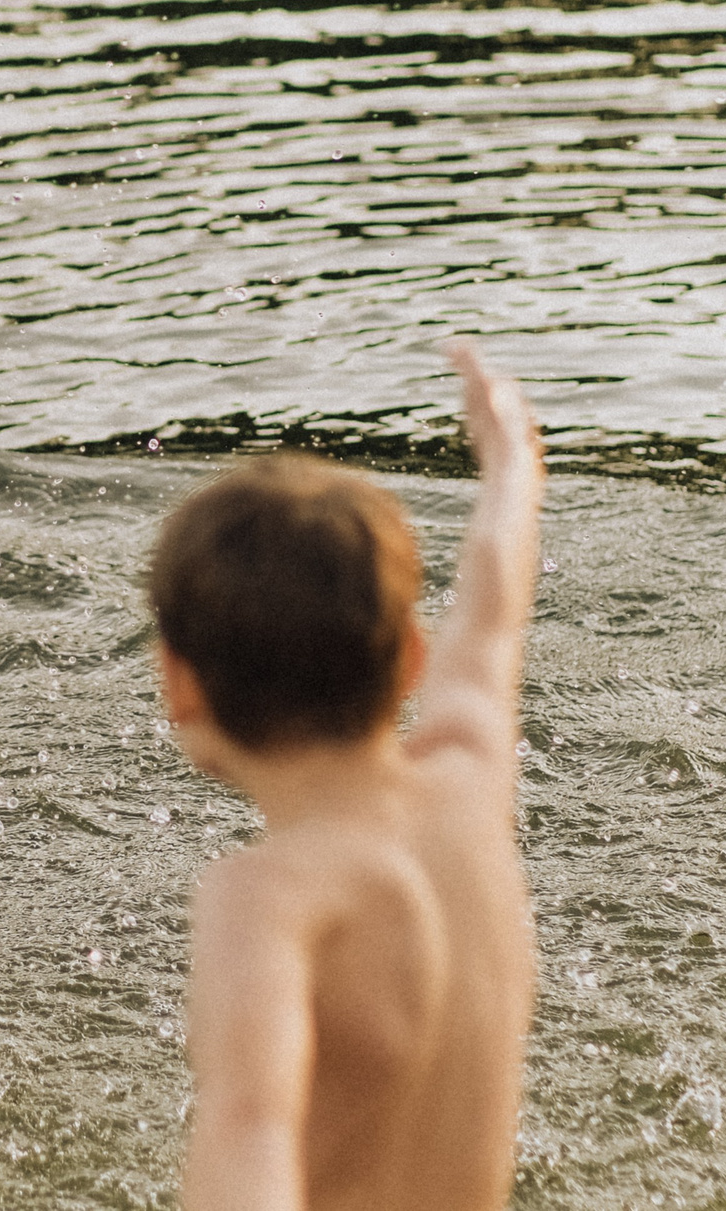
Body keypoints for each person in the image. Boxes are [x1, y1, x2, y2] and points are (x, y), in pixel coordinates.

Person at [147, 344, 539, 1211]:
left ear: (179, 681)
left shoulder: (267, 895)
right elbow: (492, 602)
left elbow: (250, 1126)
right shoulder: (468, 786)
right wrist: (510, 456)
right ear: (408, 656)